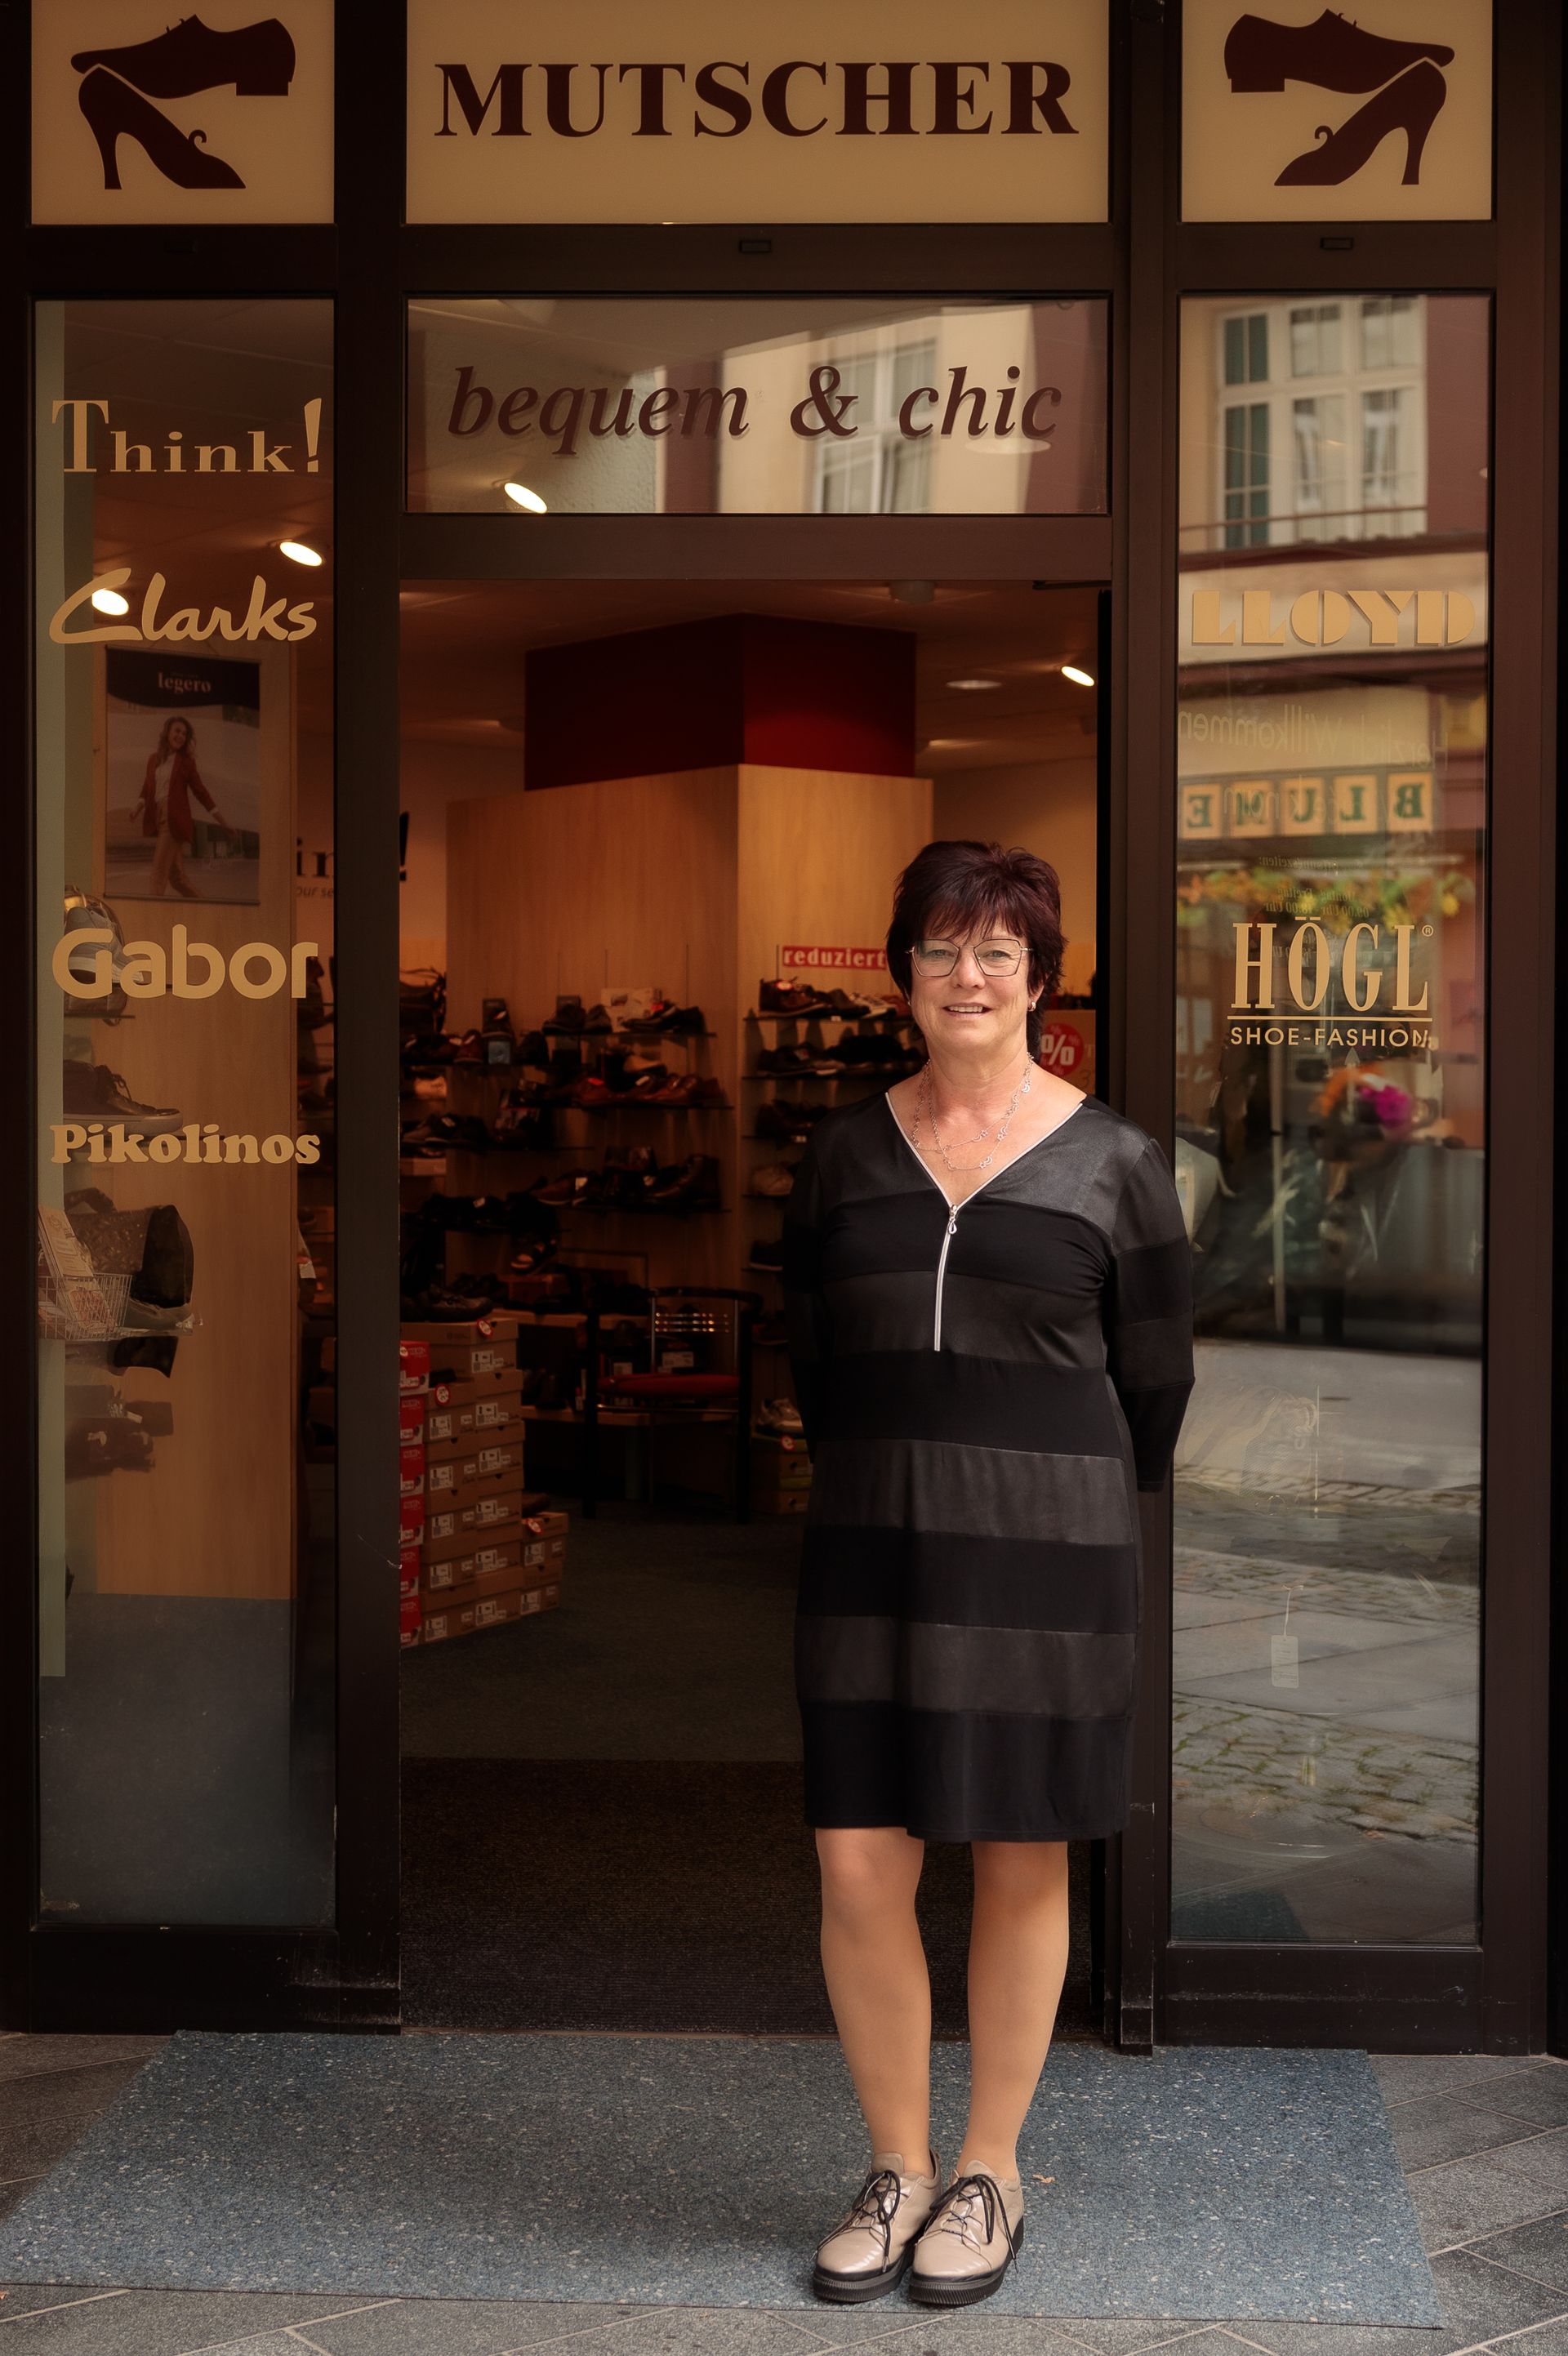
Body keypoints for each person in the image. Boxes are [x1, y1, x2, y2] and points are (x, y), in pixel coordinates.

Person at [784, 839, 1194, 2311]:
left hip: (1048, 1562)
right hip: (872, 1548)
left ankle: (990, 2172)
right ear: (904, 970)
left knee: (1022, 1852)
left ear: (1040, 978)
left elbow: (1155, 1386)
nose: (969, 975)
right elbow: (814, 1360)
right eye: (943, 948)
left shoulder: (1119, 1164)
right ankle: (895, 2168)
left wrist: (1034, 1484)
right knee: (857, 1860)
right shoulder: (841, 1155)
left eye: (998, 951)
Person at [136, 715, 230, 898]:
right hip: (159, 816)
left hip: (174, 819)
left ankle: (153, 910)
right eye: (177, 731)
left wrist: (222, 821)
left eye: (184, 734)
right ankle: (206, 907)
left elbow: (201, 792)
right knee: (177, 878)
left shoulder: (186, 762)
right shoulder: (154, 759)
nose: (180, 736)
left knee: (158, 873)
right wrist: (138, 807)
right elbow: (147, 786)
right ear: (168, 733)